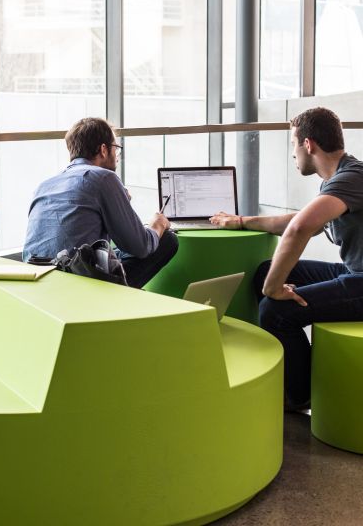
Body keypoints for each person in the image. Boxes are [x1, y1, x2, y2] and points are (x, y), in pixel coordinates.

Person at [210, 107, 363, 410]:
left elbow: (300, 228)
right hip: (353, 272)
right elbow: (303, 221)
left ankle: (302, 394)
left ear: (309, 144)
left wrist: (274, 288)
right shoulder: (343, 177)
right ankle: (292, 374)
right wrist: (242, 220)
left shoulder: (351, 177)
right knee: (264, 271)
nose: (293, 154)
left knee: (274, 309)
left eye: (293, 144)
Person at [23, 117, 178, 288]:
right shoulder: (104, 178)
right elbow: (140, 246)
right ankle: (118, 299)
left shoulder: (44, 185)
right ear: (104, 150)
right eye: (116, 148)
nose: (117, 156)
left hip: (38, 279)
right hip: (79, 282)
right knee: (167, 240)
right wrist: (157, 224)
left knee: (114, 252)